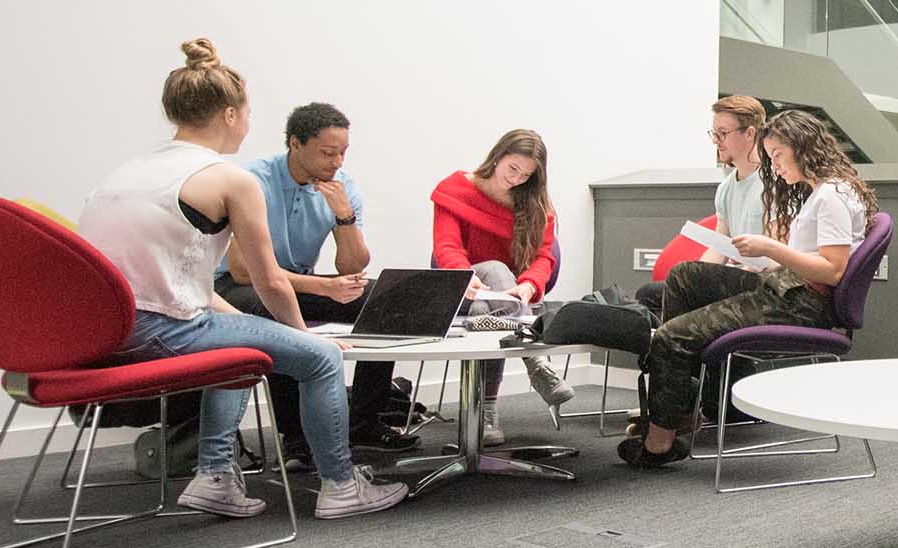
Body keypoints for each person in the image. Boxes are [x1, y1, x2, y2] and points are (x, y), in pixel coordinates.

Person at [76, 38, 407, 519]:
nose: (249, 124)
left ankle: (214, 477)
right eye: (247, 114)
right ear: (230, 114)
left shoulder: (126, 173)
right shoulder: (231, 178)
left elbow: (180, 280)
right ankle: (340, 486)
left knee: (239, 349)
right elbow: (268, 281)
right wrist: (305, 338)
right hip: (162, 329)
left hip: (106, 331)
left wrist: (258, 327)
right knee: (319, 357)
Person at [618, 110, 877, 468]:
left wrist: (770, 248)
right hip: (787, 288)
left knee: (669, 338)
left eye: (778, 156)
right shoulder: (826, 190)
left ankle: (658, 442)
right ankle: (679, 402)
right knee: (684, 276)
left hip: (799, 302)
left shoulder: (830, 196)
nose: (776, 166)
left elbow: (832, 271)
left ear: (803, 148)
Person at [213, 102, 419, 466]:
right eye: (328, 152)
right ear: (295, 144)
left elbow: (351, 265)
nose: (337, 161)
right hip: (236, 287)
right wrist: (323, 288)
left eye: (343, 152)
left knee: (386, 299)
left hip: (295, 281)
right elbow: (245, 272)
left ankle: (365, 422)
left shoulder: (343, 187)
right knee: (273, 311)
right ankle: (296, 438)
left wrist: (344, 216)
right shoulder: (253, 181)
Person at [430, 128, 571, 446]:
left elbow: (543, 257)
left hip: (502, 299)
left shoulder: (534, 202)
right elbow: (446, 247)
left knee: (485, 311)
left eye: (526, 175)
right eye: (513, 169)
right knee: (494, 268)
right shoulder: (455, 189)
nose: (517, 179)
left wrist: (528, 286)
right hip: (460, 287)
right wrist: (463, 275)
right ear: (497, 156)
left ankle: (485, 412)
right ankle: (535, 361)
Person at [635, 95, 769, 319]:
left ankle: (673, 347)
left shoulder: (773, 182)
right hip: (736, 274)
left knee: (669, 289)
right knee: (650, 294)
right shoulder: (727, 188)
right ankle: (672, 345)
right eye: (714, 133)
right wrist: (695, 276)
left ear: (750, 133)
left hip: (761, 279)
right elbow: (720, 247)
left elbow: (776, 247)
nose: (716, 140)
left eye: (723, 133)